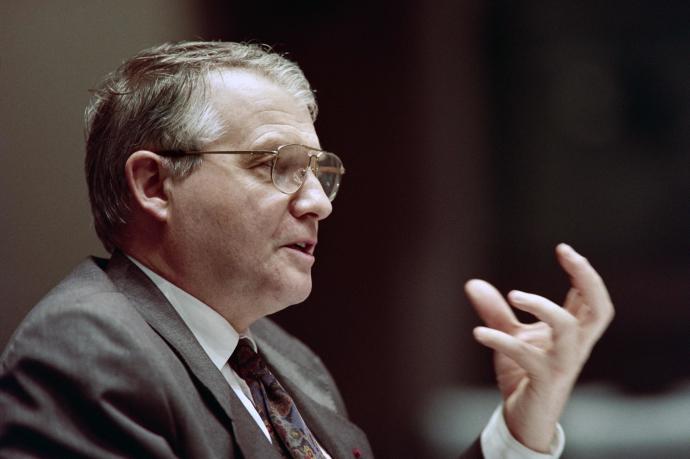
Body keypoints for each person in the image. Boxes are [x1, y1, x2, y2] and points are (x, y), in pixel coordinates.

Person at [0, 41, 614, 458]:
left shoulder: (288, 363)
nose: (319, 202)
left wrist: (522, 426)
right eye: (280, 166)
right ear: (154, 184)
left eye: (321, 173)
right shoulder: (88, 347)